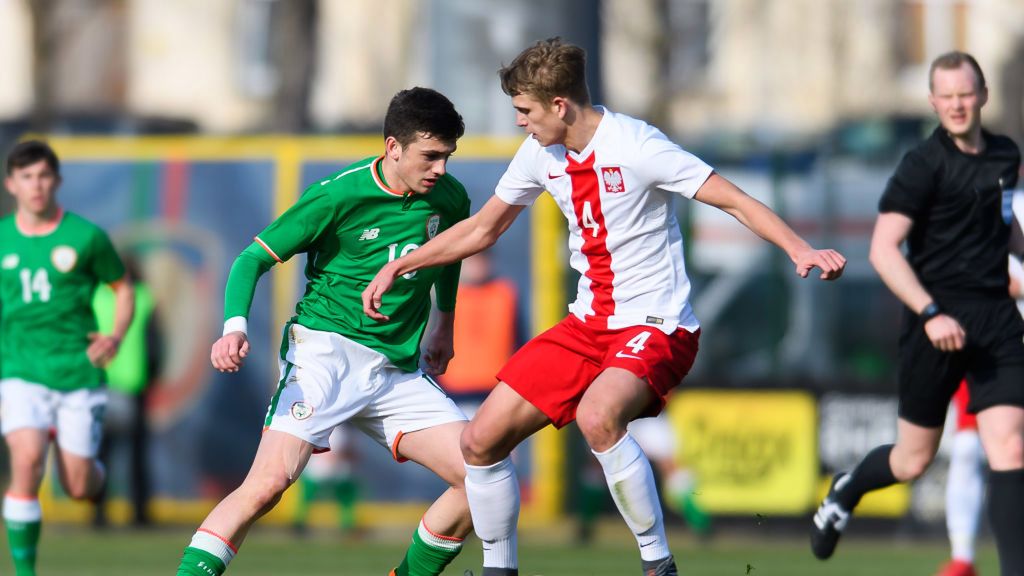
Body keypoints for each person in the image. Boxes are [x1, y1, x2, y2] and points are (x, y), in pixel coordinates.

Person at [363, 38, 845, 576]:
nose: (520, 122)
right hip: (587, 326)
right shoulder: (540, 154)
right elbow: (482, 229)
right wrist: (401, 265)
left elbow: (732, 198)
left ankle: (658, 566)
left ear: (559, 106)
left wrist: (799, 248)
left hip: (657, 324)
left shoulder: (638, 145)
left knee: (598, 416)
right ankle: (501, 569)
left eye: (524, 110)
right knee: (480, 440)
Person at [174, 87, 474, 576]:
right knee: (269, 482)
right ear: (392, 147)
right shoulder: (339, 194)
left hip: (395, 369)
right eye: (431, 155)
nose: (441, 168)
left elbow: (447, 256)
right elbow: (252, 259)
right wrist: (233, 328)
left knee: (479, 475)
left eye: (448, 156)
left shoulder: (450, 196)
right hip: (325, 354)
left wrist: (444, 323)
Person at [810, 51, 1024, 576]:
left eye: (965, 93)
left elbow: (1006, 229)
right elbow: (884, 250)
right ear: (933, 101)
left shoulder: (1005, 154)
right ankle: (847, 489)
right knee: (913, 460)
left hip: (997, 320)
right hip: (936, 323)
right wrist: (930, 312)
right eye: (946, 95)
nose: (956, 104)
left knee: (1010, 444)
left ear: (983, 96)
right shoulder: (922, 165)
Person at [0, 140, 135, 576]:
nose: (35, 186)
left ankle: (92, 468)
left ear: (56, 181)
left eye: (43, 176)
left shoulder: (86, 236)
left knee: (78, 486)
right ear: (11, 184)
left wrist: (115, 335)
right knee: (26, 461)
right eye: (26, 177)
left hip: (77, 373)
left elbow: (122, 286)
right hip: (20, 370)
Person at [92, 254, 161, 528]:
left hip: (100, 381)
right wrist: (153, 374)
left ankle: (98, 513)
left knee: (101, 453)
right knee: (137, 454)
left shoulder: (95, 296)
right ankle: (139, 513)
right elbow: (155, 342)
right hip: (134, 383)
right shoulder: (143, 298)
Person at [291, 425, 360, 536]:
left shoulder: (342, 429)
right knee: (307, 496)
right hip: (320, 469)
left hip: (334, 471)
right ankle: (299, 524)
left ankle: (347, 525)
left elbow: (351, 453)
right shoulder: (336, 429)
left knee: (345, 497)